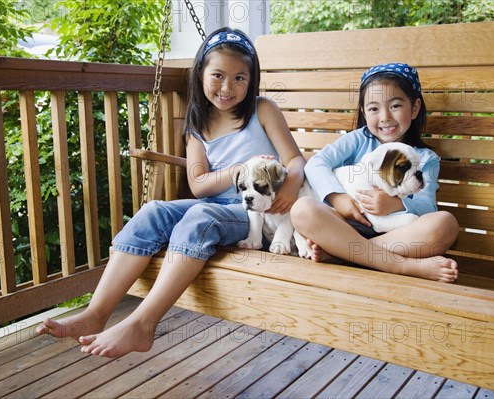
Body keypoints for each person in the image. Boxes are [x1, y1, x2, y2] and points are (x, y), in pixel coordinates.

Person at [35, 28, 305, 357]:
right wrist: (237, 169)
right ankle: (95, 314)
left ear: (252, 81)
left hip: (258, 214)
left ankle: (143, 324)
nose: (227, 87)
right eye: (217, 75)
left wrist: (289, 187)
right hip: (214, 204)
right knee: (154, 211)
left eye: (239, 78)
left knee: (199, 215)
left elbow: (294, 160)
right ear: (201, 74)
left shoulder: (262, 110)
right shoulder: (197, 125)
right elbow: (199, 184)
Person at [290, 63, 459, 283]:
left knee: (445, 224)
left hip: (396, 237)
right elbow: (315, 164)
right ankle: (404, 266)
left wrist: (396, 204)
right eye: (373, 109)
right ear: (363, 112)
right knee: (302, 210)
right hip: (343, 226)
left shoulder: (425, 158)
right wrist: (337, 197)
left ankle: (347, 254)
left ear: (415, 108)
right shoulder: (358, 140)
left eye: (396, 105)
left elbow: (428, 207)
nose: (385, 117)